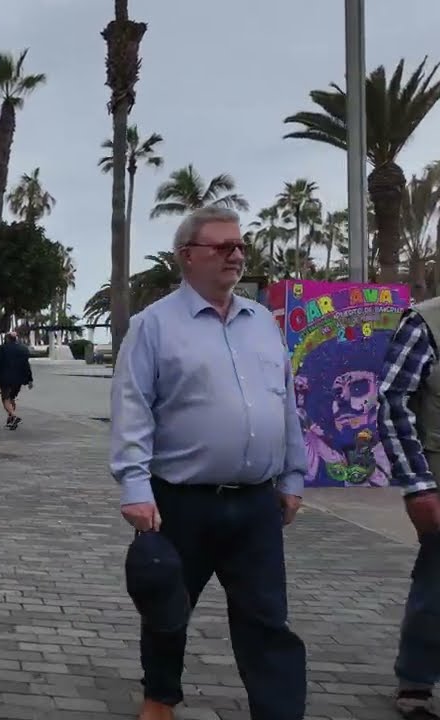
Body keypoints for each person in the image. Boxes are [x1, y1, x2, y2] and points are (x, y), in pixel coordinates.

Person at [110, 206, 307, 720]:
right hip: (180, 502)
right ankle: (160, 699)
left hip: (257, 503)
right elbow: (132, 408)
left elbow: (284, 402)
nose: (235, 255)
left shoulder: (263, 323)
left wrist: (292, 475)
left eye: (239, 246)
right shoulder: (152, 326)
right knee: (168, 610)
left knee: (268, 620)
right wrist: (134, 486)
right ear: (187, 256)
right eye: (221, 246)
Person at [376, 288, 440, 718]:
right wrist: (418, 485)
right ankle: (416, 677)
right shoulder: (426, 321)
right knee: (437, 585)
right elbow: (394, 402)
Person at [0, 331, 34, 430]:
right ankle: (10, 419)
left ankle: (13, 416)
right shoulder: (23, 349)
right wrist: (30, 379)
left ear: (7, 339)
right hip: (19, 379)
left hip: (5, 378)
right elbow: (26, 365)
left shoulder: (2, 349)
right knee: (12, 398)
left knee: (5, 398)